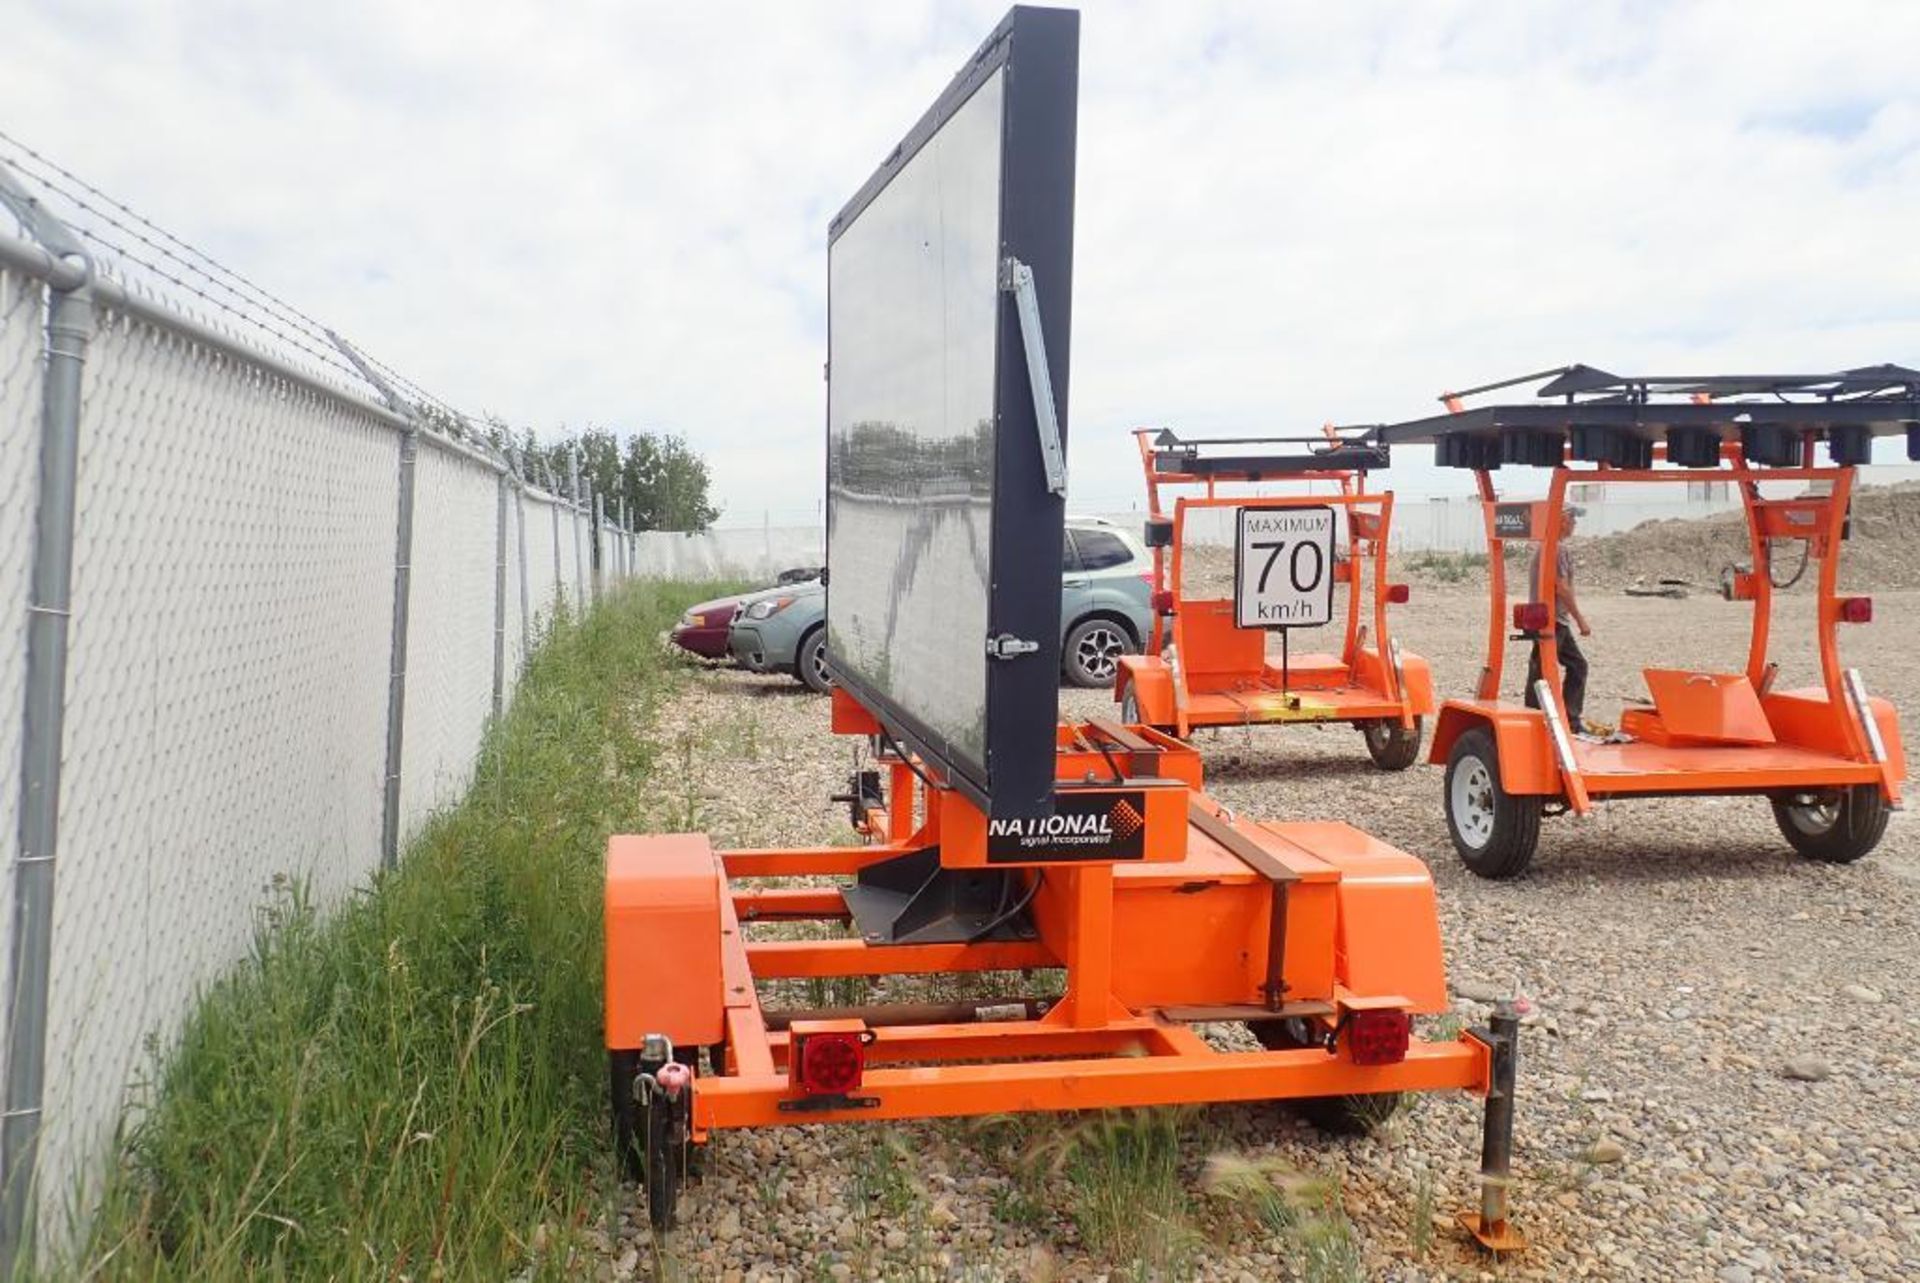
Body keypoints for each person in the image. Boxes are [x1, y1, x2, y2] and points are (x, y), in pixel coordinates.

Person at [1523, 503, 1591, 727]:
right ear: (1562, 520)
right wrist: (1580, 620)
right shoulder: (1556, 549)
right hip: (1552, 620)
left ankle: (1543, 716)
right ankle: (1558, 719)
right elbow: (1561, 587)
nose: (1575, 524)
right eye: (1572, 519)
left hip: (1546, 618)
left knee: (1547, 667)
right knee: (1558, 668)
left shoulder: (1546, 547)